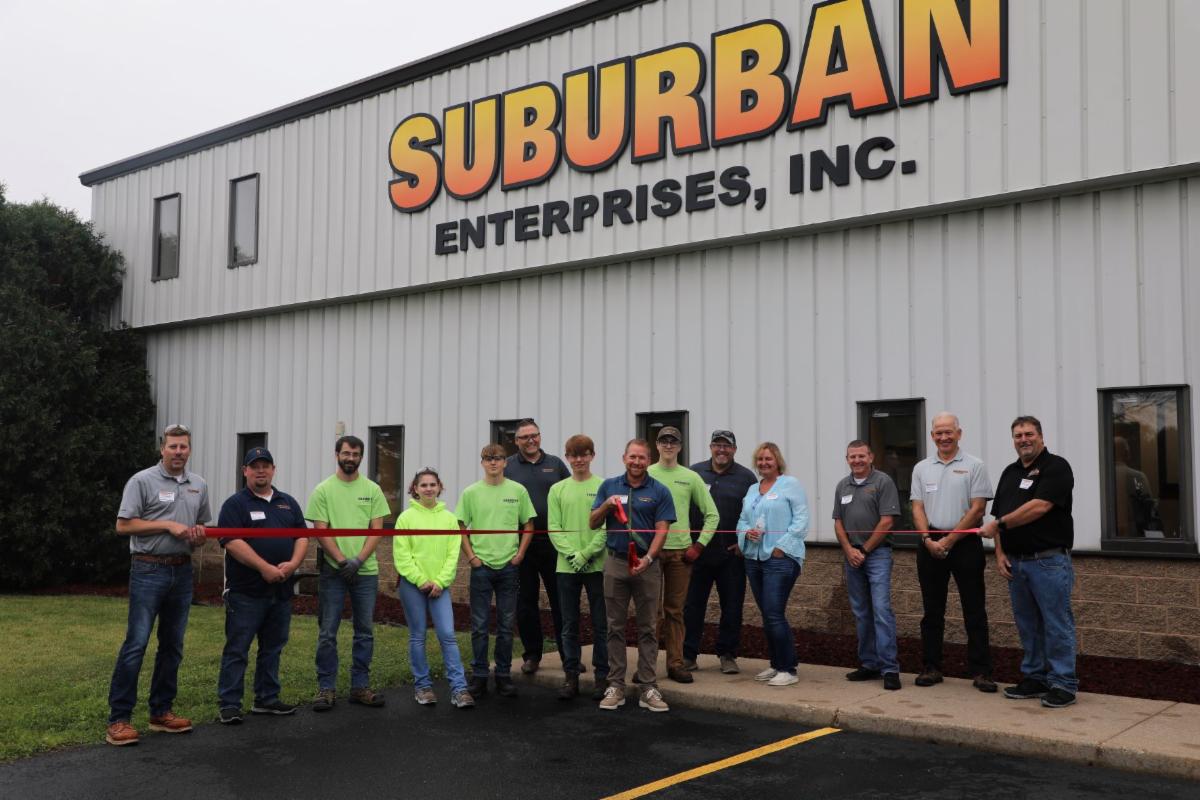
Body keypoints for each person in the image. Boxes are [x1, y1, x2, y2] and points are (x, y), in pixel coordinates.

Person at [106, 424, 211, 747]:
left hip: (181, 572)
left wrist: (197, 537)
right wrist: (167, 525)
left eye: (183, 447)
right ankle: (119, 719)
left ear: (189, 450)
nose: (178, 452)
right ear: (162, 448)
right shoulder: (142, 481)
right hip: (148, 569)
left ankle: (161, 712)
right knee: (136, 643)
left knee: (173, 645)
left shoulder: (198, 485)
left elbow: (199, 527)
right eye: (173, 446)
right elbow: (123, 525)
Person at [979, 416, 1079, 708]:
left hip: (1048, 562)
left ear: (1041, 436)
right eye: (1018, 435)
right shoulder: (1010, 472)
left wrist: (999, 526)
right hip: (1017, 563)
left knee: (1056, 624)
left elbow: (1039, 507)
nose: (1023, 439)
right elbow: (998, 516)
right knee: (1028, 625)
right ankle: (1035, 678)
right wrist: (999, 554)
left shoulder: (1056, 467)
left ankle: (1063, 683)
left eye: (1029, 434)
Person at [215, 447, 309, 724]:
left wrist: (293, 564)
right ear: (245, 471)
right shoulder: (235, 504)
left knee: (273, 648)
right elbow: (231, 542)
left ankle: (266, 699)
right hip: (246, 592)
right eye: (254, 466)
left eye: (265, 465)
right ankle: (229, 704)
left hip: (280, 590)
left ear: (273, 470)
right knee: (237, 649)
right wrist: (264, 568)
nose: (260, 470)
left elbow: (302, 536)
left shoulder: (287, 503)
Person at [910, 413, 996, 693]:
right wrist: (927, 538)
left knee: (974, 609)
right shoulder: (921, 468)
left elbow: (978, 509)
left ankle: (981, 672)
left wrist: (948, 541)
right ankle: (931, 667)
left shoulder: (975, 465)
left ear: (959, 433)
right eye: (939, 433)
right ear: (932, 436)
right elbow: (917, 507)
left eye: (949, 432)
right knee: (932, 611)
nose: (944, 437)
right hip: (930, 544)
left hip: (964, 544)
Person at [306, 435, 391, 711]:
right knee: (327, 632)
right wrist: (343, 562)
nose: (350, 458)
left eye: (355, 454)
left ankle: (360, 687)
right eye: (346, 453)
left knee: (364, 631)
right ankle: (326, 688)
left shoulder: (373, 490)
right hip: (333, 571)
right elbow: (321, 530)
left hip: (365, 572)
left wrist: (358, 560)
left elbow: (377, 529)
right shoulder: (323, 490)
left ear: (361, 457)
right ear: (337, 455)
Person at [590, 439, 675, 712]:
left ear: (649, 461)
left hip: (647, 565)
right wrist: (607, 506)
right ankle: (615, 685)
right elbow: (592, 522)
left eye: (642, 458)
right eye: (632, 457)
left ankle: (648, 687)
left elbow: (662, 530)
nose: (637, 462)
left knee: (648, 627)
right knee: (614, 627)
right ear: (624, 458)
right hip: (615, 563)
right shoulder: (609, 486)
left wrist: (648, 558)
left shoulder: (660, 491)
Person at [458, 443, 535, 698]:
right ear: (482, 462)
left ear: (505, 462)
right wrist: (471, 557)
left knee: (505, 625)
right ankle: (479, 675)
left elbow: (528, 525)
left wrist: (520, 554)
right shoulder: (471, 492)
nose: (493, 462)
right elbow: (460, 527)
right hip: (481, 567)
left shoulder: (518, 491)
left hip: (508, 567)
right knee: (479, 626)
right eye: (488, 458)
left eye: (498, 458)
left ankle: (503, 675)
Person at [394, 468, 474, 709]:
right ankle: (423, 687)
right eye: (423, 485)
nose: (428, 488)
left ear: (439, 487)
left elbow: (452, 554)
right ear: (415, 489)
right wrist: (420, 580)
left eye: (432, 484)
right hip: (412, 586)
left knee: (448, 635)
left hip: (440, 587)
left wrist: (440, 582)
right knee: (418, 636)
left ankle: (459, 689)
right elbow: (402, 555)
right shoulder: (405, 518)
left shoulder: (449, 519)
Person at [647, 426, 719, 684]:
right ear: (657, 445)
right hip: (651, 553)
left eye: (673, 441)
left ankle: (676, 664)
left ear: (680, 446)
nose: (668, 445)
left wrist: (699, 546)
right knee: (650, 613)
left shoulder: (690, 477)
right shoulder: (646, 474)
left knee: (675, 611)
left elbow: (712, 515)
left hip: (680, 555)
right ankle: (647, 666)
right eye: (664, 441)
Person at [683, 430, 757, 675]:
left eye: (727, 446)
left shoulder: (746, 478)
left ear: (734, 449)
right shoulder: (694, 473)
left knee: (732, 607)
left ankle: (727, 655)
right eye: (717, 445)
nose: (721, 450)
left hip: (731, 556)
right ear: (710, 447)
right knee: (692, 607)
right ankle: (688, 655)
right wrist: (687, 543)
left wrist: (743, 543)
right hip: (698, 553)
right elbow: (683, 507)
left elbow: (754, 513)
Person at [737, 442, 808, 687]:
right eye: (760, 459)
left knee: (774, 613)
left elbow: (801, 519)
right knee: (768, 614)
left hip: (781, 559)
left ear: (777, 461)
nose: (764, 463)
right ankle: (777, 664)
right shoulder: (752, 489)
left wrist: (782, 547)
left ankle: (788, 669)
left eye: (768, 459)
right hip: (754, 559)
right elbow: (742, 520)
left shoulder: (790, 485)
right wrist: (746, 533)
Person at [833, 440, 902, 690]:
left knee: (881, 610)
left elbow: (887, 522)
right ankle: (869, 664)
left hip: (877, 555)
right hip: (852, 555)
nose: (857, 461)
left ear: (871, 457)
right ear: (847, 459)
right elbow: (838, 522)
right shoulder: (843, 485)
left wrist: (864, 550)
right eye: (852, 457)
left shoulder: (883, 482)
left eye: (861, 456)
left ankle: (890, 669)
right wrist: (849, 550)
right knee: (861, 612)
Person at [504, 418, 570, 675]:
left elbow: (569, 495)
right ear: (516, 441)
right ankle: (532, 655)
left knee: (561, 601)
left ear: (540, 436)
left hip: (554, 545)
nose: (530, 440)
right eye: (524, 437)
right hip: (522, 546)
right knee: (526, 603)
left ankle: (569, 656)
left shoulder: (555, 464)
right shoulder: (508, 466)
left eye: (534, 435)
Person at [547, 434, 608, 700]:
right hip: (566, 567)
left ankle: (601, 677)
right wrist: (573, 554)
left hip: (597, 565)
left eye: (584, 454)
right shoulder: (558, 489)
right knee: (569, 624)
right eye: (574, 455)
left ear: (592, 455)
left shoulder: (604, 486)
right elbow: (554, 527)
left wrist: (587, 553)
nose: (579, 459)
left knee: (601, 624)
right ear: (567, 458)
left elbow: (607, 527)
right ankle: (570, 676)